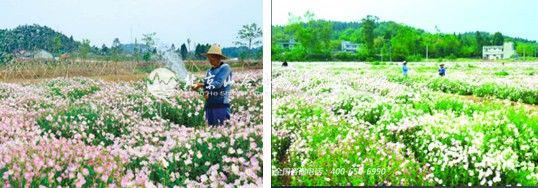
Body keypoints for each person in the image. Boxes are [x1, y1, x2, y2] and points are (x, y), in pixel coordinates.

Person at [191, 44, 232, 126]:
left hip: (221, 105)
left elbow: (218, 84)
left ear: (217, 57)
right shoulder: (209, 71)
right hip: (210, 105)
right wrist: (200, 90)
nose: (209, 60)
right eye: (208, 57)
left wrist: (200, 85)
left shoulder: (225, 68)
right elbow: (207, 88)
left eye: (211, 57)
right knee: (212, 130)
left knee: (222, 130)